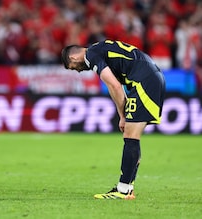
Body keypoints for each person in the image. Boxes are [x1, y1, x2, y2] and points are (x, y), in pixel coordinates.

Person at [61, 40, 165, 200]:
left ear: (73, 57)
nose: (79, 71)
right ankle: (126, 188)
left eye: (74, 67)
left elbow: (115, 86)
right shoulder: (99, 49)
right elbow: (115, 85)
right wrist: (123, 114)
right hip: (149, 78)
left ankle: (123, 190)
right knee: (131, 137)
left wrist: (122, 116)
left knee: (131, 137)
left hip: (144, 82)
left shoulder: (91, 55)